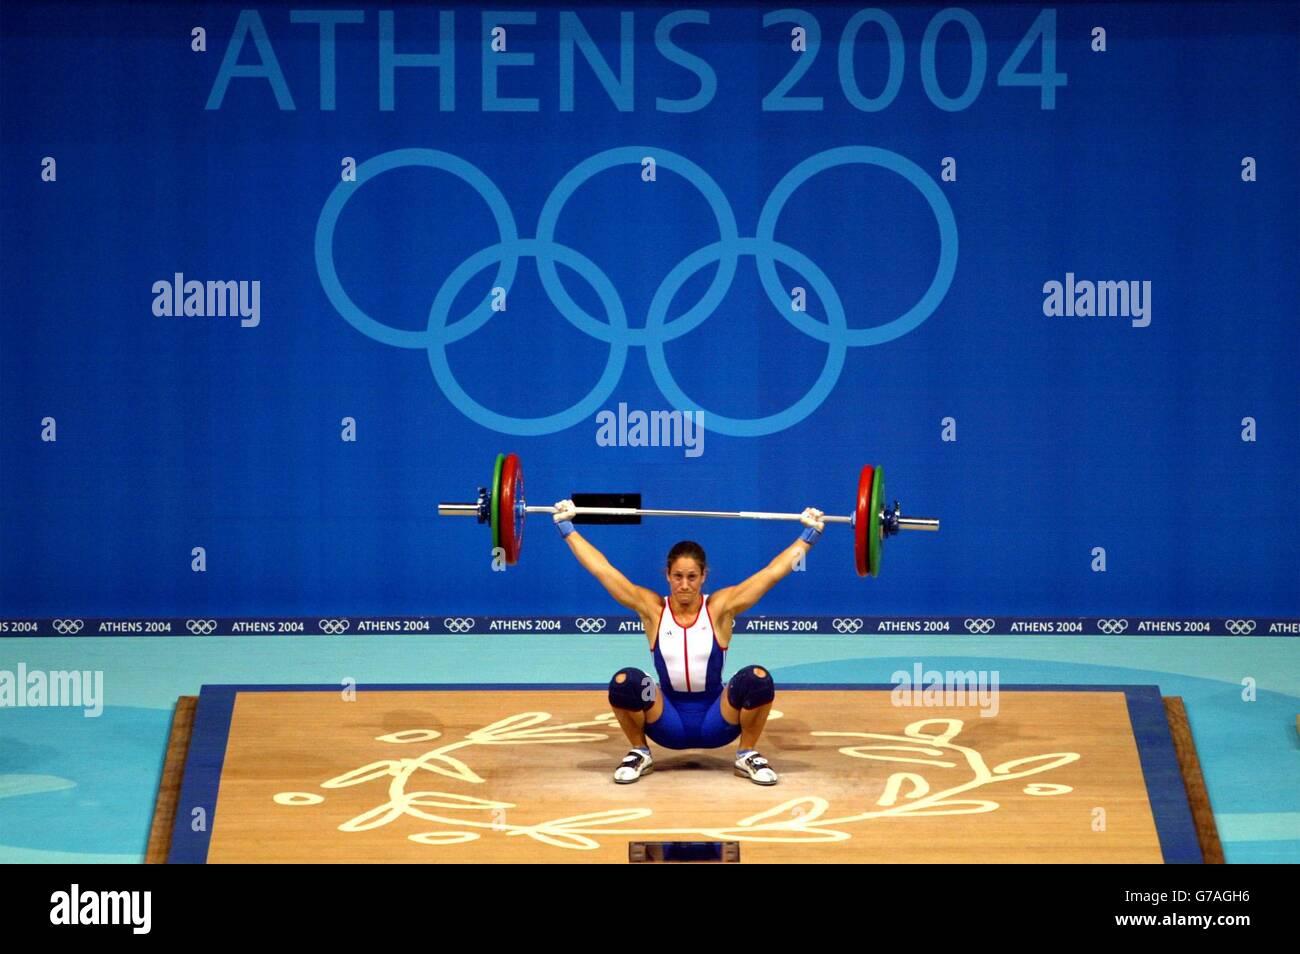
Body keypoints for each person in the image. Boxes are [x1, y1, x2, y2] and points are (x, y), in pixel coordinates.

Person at [553, 499, 826, 785]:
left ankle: (747, 753)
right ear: (668, 576)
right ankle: (639, 751)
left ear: (704, 576)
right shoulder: (653, 610)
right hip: (666, 721)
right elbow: (603, 570)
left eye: (692, 577)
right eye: (678, 577)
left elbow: (771, 574)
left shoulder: (720, 608)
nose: (685, 585)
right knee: (625, 681)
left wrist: (809, 536)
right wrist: (567, 527)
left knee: (757, 678)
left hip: (718, 720)